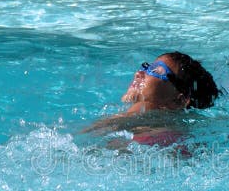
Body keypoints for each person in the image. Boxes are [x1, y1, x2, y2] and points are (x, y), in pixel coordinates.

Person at [85, 51, 220, 147]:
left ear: (178, 101)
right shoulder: (178, 136)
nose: (139, 73)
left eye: (155, 71)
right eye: (146, 67)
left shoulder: (159, 138)